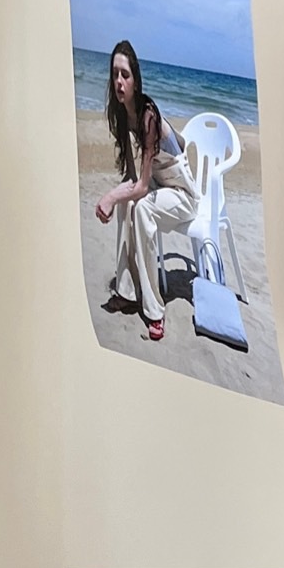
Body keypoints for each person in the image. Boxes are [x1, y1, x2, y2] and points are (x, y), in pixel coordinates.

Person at [94, 40, 197, 342]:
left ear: (136, 80)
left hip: (181, 193)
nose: (119, 81)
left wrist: (110, 196)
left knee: (141, 207)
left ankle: (155, 310)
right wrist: (115, 199)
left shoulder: (148, 114)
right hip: (158, 185)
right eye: (115, 74)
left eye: (125, 75)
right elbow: (133, 177)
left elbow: (140, 187)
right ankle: (127, 291)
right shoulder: (121, 114)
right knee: (128, 205)